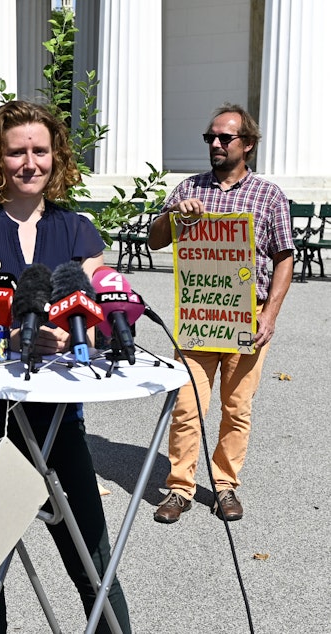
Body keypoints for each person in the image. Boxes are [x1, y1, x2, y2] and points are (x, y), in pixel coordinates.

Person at [0, 100, 131, 633]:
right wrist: (10, 338)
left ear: (56, 156)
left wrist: (108, 324)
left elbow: (106, 301)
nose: (29, 162)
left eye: (39, 150)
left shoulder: (76, 229)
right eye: (16, 150)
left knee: (91, 560)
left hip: (55, 422)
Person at [148, 103, 292, 524]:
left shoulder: (269, 195)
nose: (215, 143)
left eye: (224, 137)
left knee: (237, 407)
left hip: (248, 316)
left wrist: (271, 316)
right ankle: (179, 488)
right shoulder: (188, 188)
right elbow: (156, 240)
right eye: (210, 137)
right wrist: (174, 215)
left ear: (246, 144)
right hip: (199, 314)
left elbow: (285, 257)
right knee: (187, 405)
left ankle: (225, 486)